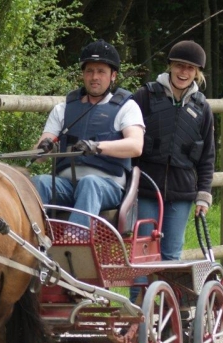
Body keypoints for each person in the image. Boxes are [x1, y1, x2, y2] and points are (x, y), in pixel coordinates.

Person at [32, 39, 145, 228]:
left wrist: (97, 146)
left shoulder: (127, 107)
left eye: (101, 71)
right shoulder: (63, 108)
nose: (95, 77)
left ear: (113, 76)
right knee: (39, 182)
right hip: (67, 185)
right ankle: (34, 239)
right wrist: (43, 148)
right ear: (83, 75)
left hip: (107, 186)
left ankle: (76, 240)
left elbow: (136, 146)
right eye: (90, 71)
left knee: (89, 183)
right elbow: (39, 158)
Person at [133, 40, 215, 260]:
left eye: (190, 68)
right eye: (179, 65)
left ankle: (168, 295)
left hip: (182, 192)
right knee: (142, 252)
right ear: (170, 66)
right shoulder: (145, 97)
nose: (183, 72)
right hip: (146, 188)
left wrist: (203, 195)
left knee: (171, 252)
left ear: (197, 72)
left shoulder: (202, 108)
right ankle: (138, 296)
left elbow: (207, 156)